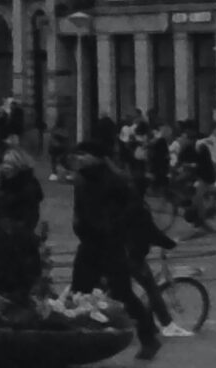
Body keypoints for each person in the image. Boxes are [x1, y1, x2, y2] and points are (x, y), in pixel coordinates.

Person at [69, 138, 165, 354]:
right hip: (88, 244)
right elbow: (80, 210)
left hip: (110, 245)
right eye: (78, 155)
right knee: (79, 292)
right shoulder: (82, 180)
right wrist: (79, 225)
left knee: (122, 293)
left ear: (96, 158)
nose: (79, 159)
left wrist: (112, 226)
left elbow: (132, 209)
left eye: (84, 155)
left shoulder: (114, 180)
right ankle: (80, 340)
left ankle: (148, 336)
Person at [0, 147, 48, 305]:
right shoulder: (4, 186)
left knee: (16, 294)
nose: (5, 167)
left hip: (20, 252)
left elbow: (30, 221)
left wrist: (9, 227)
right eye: (5, 163)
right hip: (0, 248)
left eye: (10, 163)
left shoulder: (28, 190)